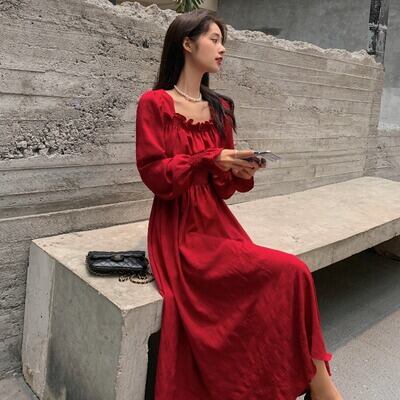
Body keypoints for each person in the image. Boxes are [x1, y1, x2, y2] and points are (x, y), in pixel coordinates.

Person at [135, 8, 343, 400]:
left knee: (294, 274)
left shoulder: (221, 108)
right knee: (291, 272)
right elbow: (155, 175)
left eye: (222, 41)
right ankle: (323, 390)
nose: (222, 49)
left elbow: (225, 190)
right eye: (214, 39)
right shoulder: (155, 103)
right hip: (178, 232)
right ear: (187, 43)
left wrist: (238, 171)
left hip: (216, 222)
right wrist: (208, 159)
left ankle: (321, 386)